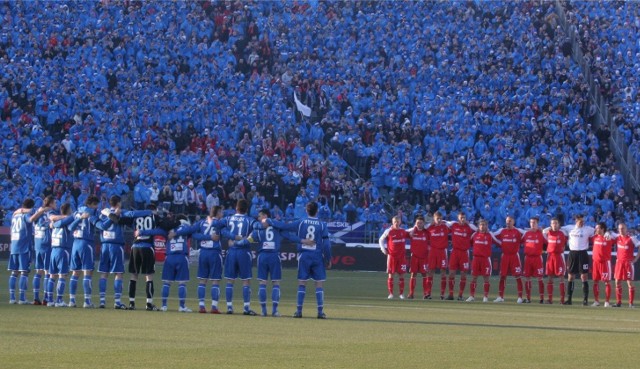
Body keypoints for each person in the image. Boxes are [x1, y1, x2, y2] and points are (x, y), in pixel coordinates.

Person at [266, 201, 332, 319]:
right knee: (319, 284)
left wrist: (270, 221)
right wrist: (328, 259)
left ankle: (298, 311)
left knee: (302, 283)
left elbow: (284, 226)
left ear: (306, 211)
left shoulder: (301, 222)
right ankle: (320, 312)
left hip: (304, 255)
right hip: (317, 256)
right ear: (317, 211)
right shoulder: (322, 225)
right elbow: (327, 244)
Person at [248, 208, 303, 317]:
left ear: (265, 216)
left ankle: (263, 311)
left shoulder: (258, 229)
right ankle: (274, 311)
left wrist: (239, 242)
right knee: (276, 283)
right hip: (274, 256)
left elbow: (249, 239)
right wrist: (303, 241)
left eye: (260, 216)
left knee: (262, 283)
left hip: (262, 257)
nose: (258, 218)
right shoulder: (277, 227)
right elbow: (290, 237)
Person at [138, 214, 192, 312]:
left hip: (169, 257)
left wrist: (141, 232)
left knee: (166, 283)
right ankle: (182, 306)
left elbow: (155, 231)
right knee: (182, 283)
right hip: (182, 257)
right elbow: (193, 231)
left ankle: (164, 306)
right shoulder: (187, 227)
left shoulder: (168, 229)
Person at [120, 204, 168, 311]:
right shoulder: (154, 217)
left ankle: (131, 303)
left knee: (133, 276)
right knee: (149, 276)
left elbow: (123, 220)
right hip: (148, 247)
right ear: (153, 210)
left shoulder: (135, 216)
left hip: (135, 247)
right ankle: (149, 304)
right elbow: (162, 230)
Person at [221, 199, 259, 315]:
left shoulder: (228, 218)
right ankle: (246, 309)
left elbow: (221, 229)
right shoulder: (250, 220)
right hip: (244, 252)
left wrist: (232, 236)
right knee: (246, 281)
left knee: (230, 280)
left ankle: (229, 308)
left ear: (236, 208)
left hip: (232, 251)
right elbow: (256, 231)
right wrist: (245, 240)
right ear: (247, 209)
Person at [187, 205, 226, 314]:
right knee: (215, 281)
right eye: (221, 211)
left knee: (202, 280)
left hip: (203, 253)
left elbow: (194, 234)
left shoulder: (202, 222)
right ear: (218, 213)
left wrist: (206, 237)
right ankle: (214, 307)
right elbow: (225, 232)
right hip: (214, 253)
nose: (222, 214)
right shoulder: (220, 223)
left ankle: (201, 306)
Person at [94, 195, 129, 309]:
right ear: (118, 203)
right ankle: (117, 302)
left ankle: (102, 301)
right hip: (116, 245)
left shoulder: (102, 213)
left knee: (104, 273)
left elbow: (101, 226)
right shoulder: (121, 213)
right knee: (118, 273)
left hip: (104, 245)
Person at [68, 195, 100, 308]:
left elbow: (70, 228)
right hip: (86, 243)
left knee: (75, 273)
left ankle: (72, 300)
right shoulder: (91, 212)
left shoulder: (77, 212)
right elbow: (99, 224)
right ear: (91, 204)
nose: (96, 207)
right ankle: (87, 301)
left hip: (75, 243)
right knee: (87, 272)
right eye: (96, 205)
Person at [559, 214, 595, 306]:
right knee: (571, 276)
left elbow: (598, 231)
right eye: (580, 221)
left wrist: (607, 232)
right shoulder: (569, 228)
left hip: (583, 254)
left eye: (583, 221)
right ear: (576, 221)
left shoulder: (588, 229)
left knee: (584, 276)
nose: (582, 223)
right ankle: (569, 299)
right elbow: (557, 227)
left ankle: (585, 300)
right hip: (573, 253)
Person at [8, 198, 38, 304]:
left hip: (14, 246)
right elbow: (30, 220)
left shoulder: (15, 216)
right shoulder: (26, 215)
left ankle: (12, 298)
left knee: (14, 272)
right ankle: (22, 298)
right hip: (24, 246)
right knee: (24, 272)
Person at [47, 203, 75, 307]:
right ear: (68, 211)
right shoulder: (67, 220)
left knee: (52, 276)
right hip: (63, 250)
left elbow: (52, 222)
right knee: (62, 275)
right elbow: (73, 219)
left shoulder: (56, 220)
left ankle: (50, 300)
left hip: (53, 250)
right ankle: (59, 300)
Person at [467, 219, 501, 302]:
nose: (482, 226)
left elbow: (498, 243)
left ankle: (485, 297)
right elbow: (470, 243)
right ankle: (472, 296)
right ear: (478, 226)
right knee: (474, 277)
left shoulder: (490, 235)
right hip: (476, 259)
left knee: (486, 278)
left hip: (485, 259)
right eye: (481, 225)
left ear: (487, 226)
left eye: (484, 225)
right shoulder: (474, 235)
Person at [31, 196, 56, 305]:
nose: (56, 204)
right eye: (55, 202)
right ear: (50, 203)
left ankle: (36, 298)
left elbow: (33, 220)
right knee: (47, 272)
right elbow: (47, 224)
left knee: (38, 271)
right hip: (47, 244)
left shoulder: (38, 211)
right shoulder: (49, 213)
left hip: (37, 244)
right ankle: (46, 298)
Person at [493, 215, 524, 303]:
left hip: (514, 256)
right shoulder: (502, 231)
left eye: (510, 221)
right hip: (505, 256)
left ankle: (520, 297)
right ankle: (500, 296)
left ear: (513, 222)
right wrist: (500, 244)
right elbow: (492, 235)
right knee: (502, 276)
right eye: (507, 221)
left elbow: (526, 234)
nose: (508, 222)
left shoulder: (518, 231)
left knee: (518, 276)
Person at [446, 212, 476, 301]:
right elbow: (444, 223)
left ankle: (460, 295)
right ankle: (451, 294)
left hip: (464, 253)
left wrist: (469, 223)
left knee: (463, 274)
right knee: (451, 273)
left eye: (464, 217)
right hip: (455, 252)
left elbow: (478, 230)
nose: (463, 219)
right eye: (461, 217)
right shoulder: (454, 225)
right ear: (458, 218)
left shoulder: (468, 227)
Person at [379, 215, 409, 299]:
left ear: (400, 222)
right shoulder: (388, 231)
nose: (396, 223)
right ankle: (391, 294)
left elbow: (411, 233)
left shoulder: (403, 231)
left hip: (402, 257)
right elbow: (381, 239)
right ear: (392, 222)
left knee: (401, 275)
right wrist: (383, 249)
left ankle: (401, 294)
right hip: (392, 256)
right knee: (391, 275)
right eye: (395, 222)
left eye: (398, 222)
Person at [611, 223, 638, 308]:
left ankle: (631, 303)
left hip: (628, 263)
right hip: (619, 263)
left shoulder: (632, 238)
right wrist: (608, 232)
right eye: (619, 229)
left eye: (622, 228)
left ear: (626, 229)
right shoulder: (617, 237)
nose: (621, 230)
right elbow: (609, 234)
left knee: (629, 283)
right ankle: (619, 302)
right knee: (617, 282)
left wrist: (635, 259)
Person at [424, 211, 450, 300]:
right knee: (430, 271)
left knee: (443, 272)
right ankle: (428, 293)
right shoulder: (429, 228)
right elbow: (420, 228)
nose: (439, 220)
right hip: (433, 252)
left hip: (442, 252)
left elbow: (454, 224)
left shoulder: (445, 226)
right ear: (434, 219)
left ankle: (442, 294)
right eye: (437, 218)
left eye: (440, 218)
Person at [522, 217, 547, 304]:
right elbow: (520, 241)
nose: (532, 224)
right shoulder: (526, 234)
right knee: (527, 278)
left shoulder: (540, 234)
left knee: (540, 278)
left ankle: (541, 298)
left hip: (537, 258)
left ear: (537, 224)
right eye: (531, 222)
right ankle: (528, 298)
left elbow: (547, 243)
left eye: (534, 223)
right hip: (528, 258)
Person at [543, 218, 568, 304]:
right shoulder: (548, 233)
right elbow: (543, 232)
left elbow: (566, 241)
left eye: (556, 223)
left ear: (559, 224)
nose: (554, 225)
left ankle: (562, 300)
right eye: (553, 223)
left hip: (559, 256)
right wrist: (549, 228)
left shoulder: (562, 233)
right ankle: (550, 299)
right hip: (550, 256)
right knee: (550, 278)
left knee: (561, 278)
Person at [590, 222, 614, 307]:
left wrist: (609, 233)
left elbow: (616, 236)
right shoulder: (594, 237)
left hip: (604, 263)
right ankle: (596, 301)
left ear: (602, 229)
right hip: (595, 262)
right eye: (596, 228)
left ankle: (607, 302)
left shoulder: (608, 237)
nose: (596, 230)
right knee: (595, 281)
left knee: (607, 282)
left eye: (598, 228)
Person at [406, 215, 429, 299]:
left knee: (424, 274)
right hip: (414, 257)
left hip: (424, 257)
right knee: (413, 274)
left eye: (421, 223)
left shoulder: (427, 232)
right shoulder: (412, 232)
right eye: (417, 223)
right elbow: (403, 233)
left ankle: (425, 293)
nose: (419, 224)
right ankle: (411, 293)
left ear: (424, 224)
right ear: (415, 223)